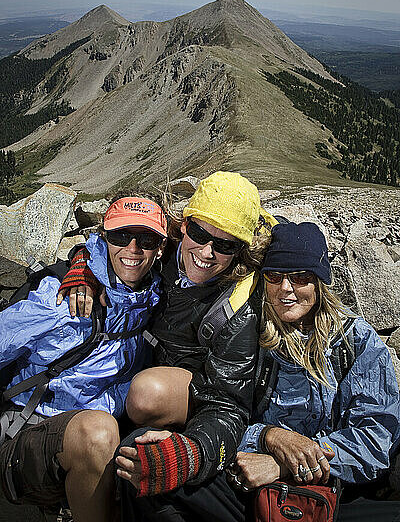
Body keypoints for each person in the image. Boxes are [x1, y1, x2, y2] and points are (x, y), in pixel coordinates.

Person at [127, 222, 400, 522]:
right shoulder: (246, 332)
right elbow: (222, 408)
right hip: (247, 486)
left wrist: (281, 464)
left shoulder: (355, 342)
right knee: (143, 455)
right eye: (275, 275)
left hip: (331, 493)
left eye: (301, 277)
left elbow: (375, 440)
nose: (286, 288)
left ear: (320, 283)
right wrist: (268, 436)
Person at [57, 171, 278, 501]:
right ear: (184, 225)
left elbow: (230, 406)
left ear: (240, 251)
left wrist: (192, 456)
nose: (206, 252)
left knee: (147, 392)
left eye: (225, 245)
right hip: (130, 374)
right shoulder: (162, 246)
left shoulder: (238, 308)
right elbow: (109, 241)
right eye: (200, 232)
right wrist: (86, 269)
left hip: (189, 393)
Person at [0, 195, 167, 522]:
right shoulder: (62, 296)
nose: (133, 248)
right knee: (98, 433)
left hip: (92, 430)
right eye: (120, 236)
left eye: (145, 239)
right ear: (104, 239)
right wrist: (83, 266)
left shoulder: (154, 295)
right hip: (27, 432)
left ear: (160, 248)